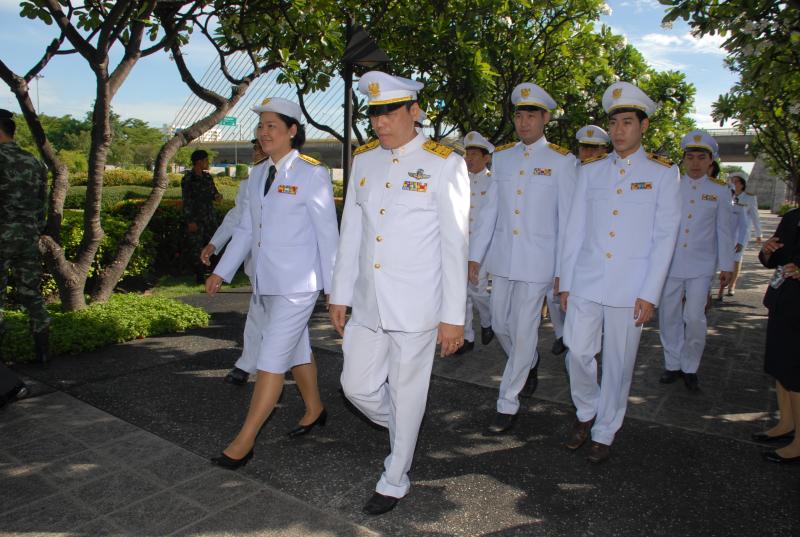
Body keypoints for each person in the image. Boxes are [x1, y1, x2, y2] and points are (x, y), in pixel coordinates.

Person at [329, 71, 469, 515]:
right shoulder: (365, 160)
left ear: (414, 111)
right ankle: (405, 429)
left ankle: (395, 477)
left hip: (418, 304)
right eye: (374, 114)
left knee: (408, 390)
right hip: (369, 302)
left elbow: (455, 244)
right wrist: (339, 293)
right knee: (355, 387)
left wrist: (453, 316)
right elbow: (352, 231)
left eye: (390, 112)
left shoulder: (444, 163)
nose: (380, 122)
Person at [205, 97, 339, 468]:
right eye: (261, 126)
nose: (263, 133)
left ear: (292, 131)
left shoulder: (312, 173)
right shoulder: (258, 174)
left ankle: (243, 442)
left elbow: (328, 237)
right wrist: (221, 271)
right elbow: (247, 229)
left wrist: (334, 291)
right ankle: (315, 408)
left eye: (271, 126)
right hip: (267, 282)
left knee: (270, 360)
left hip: (298, 285)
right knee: (296, 351)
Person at [559, 82, 681, 463]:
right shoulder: (591, 171)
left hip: (631, 287)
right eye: (613, 123)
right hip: (586, 279)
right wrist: (565, 281)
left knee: (618, 362)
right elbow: (575, 229)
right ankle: (587, 409)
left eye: (627, 122)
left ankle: (605, 429)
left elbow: (665, 238)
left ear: (643, 126)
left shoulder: (663, 173)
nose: (618, 130)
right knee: (577, 351)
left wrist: (650, 292)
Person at [469, 82, 577, 434]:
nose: (524, 122)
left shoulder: (562, 161)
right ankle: (528, 360)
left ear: (545, 118)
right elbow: (490, 212)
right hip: (503, 259)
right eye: (519, 115)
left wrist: (563, 270)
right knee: (500, 324)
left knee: (524, 328)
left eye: (531, 115)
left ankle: (507, 402)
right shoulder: (503, 157)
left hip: (538, 263)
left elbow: (568, 222)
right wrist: (475, 256)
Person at [657, 130, 734, 391]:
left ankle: (690, 366)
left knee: (694, 317)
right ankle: (672, 363)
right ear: (684, 160)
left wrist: (727, 266)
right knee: (669, 315)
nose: (695, 163)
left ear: (711, 161)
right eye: (690, 157)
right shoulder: (672, 186)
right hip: (670, 263)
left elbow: (724, 230)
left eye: (701, 158)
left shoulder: (719, 191)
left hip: (701, 265)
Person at [200, 132, 267, 385]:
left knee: (281, 322)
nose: (256, 154)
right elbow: (238, 218)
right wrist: (214, 243)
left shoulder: (299, 176)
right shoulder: (250, 182)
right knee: (259, 314)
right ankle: (252, 365)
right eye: (255, 149)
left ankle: (271, 368)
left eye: (260, 149)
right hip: (258, 264)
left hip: (291, 268)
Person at [0, 109, 50, 365]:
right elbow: (42, 203)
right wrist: (34, 229)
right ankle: (43, 351)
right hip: (28, 237)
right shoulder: (33, 162)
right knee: (31, 293)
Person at [756, 209, 800, 463]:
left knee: (795, 373)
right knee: (780, 366)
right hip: (782, 301)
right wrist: (767, 251)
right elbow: (772, 259)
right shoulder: (792, 217)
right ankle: (786, 423)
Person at [457, 131, 494, 355]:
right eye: (467, 154)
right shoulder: (461, 180)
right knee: (462, 293)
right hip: (462, 244)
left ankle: (488, 320)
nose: (469, 159)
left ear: (486, 158)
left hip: (483, 247)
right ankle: (466, 337)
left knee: (478, 289)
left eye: (474, 154)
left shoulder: (493, 182)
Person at [718, 171, 762, 298]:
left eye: (736, 181)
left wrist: (759, 234)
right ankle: (722, 286)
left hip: (741, 234)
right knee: (725, 259)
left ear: (742, 184)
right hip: (727, 232)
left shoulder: (749, 198)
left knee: (736, 259)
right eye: (731, 181)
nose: (733, 184)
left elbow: (755, 216)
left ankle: (732, 284)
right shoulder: (726, 196)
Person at [182, 149, 221, 283]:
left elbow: (214, 193)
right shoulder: (188, 178)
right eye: (206, 160)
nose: (208, 162)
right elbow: (187, 201)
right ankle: (199, 275)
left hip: (209, 217)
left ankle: (213, 272)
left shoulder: (208, 177)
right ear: (199, 162)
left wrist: (217, 196)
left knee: (213, 244)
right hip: (196, 219)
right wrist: (190, 221)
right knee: (197, 247)